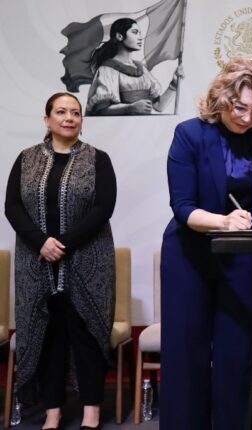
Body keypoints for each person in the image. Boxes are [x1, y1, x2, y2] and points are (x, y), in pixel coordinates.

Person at [159, 57, 252, 429]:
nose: (247, 118)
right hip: (190, 257)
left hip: (243, 258)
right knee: (186, 356)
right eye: (240, 107)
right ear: (221, 98)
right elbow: (182, 207)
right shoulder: (190, 134)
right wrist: (225, 221)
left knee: (238, 355)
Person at [4, 92, 116, 430]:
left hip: (88, 262)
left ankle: (92, 412)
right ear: (47, 119)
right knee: (48, 335)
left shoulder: (98, 159)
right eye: (61, 112)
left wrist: (62, 244)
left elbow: (103, 208)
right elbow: (12, 207)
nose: (69, 118)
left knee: (86, 334)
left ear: (82, 120)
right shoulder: (26, 159)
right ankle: (52, 411)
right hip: (35, 263)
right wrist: (41, 243)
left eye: (76, 113)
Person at [86, 17, 182, 115]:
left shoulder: (142, 69)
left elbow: (158, 106)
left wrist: (173, 84)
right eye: (135, 32)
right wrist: (130, 108)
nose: (140, 37)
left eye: (140, 33)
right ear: (120, 36)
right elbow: (101, 110)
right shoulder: (107, 69)